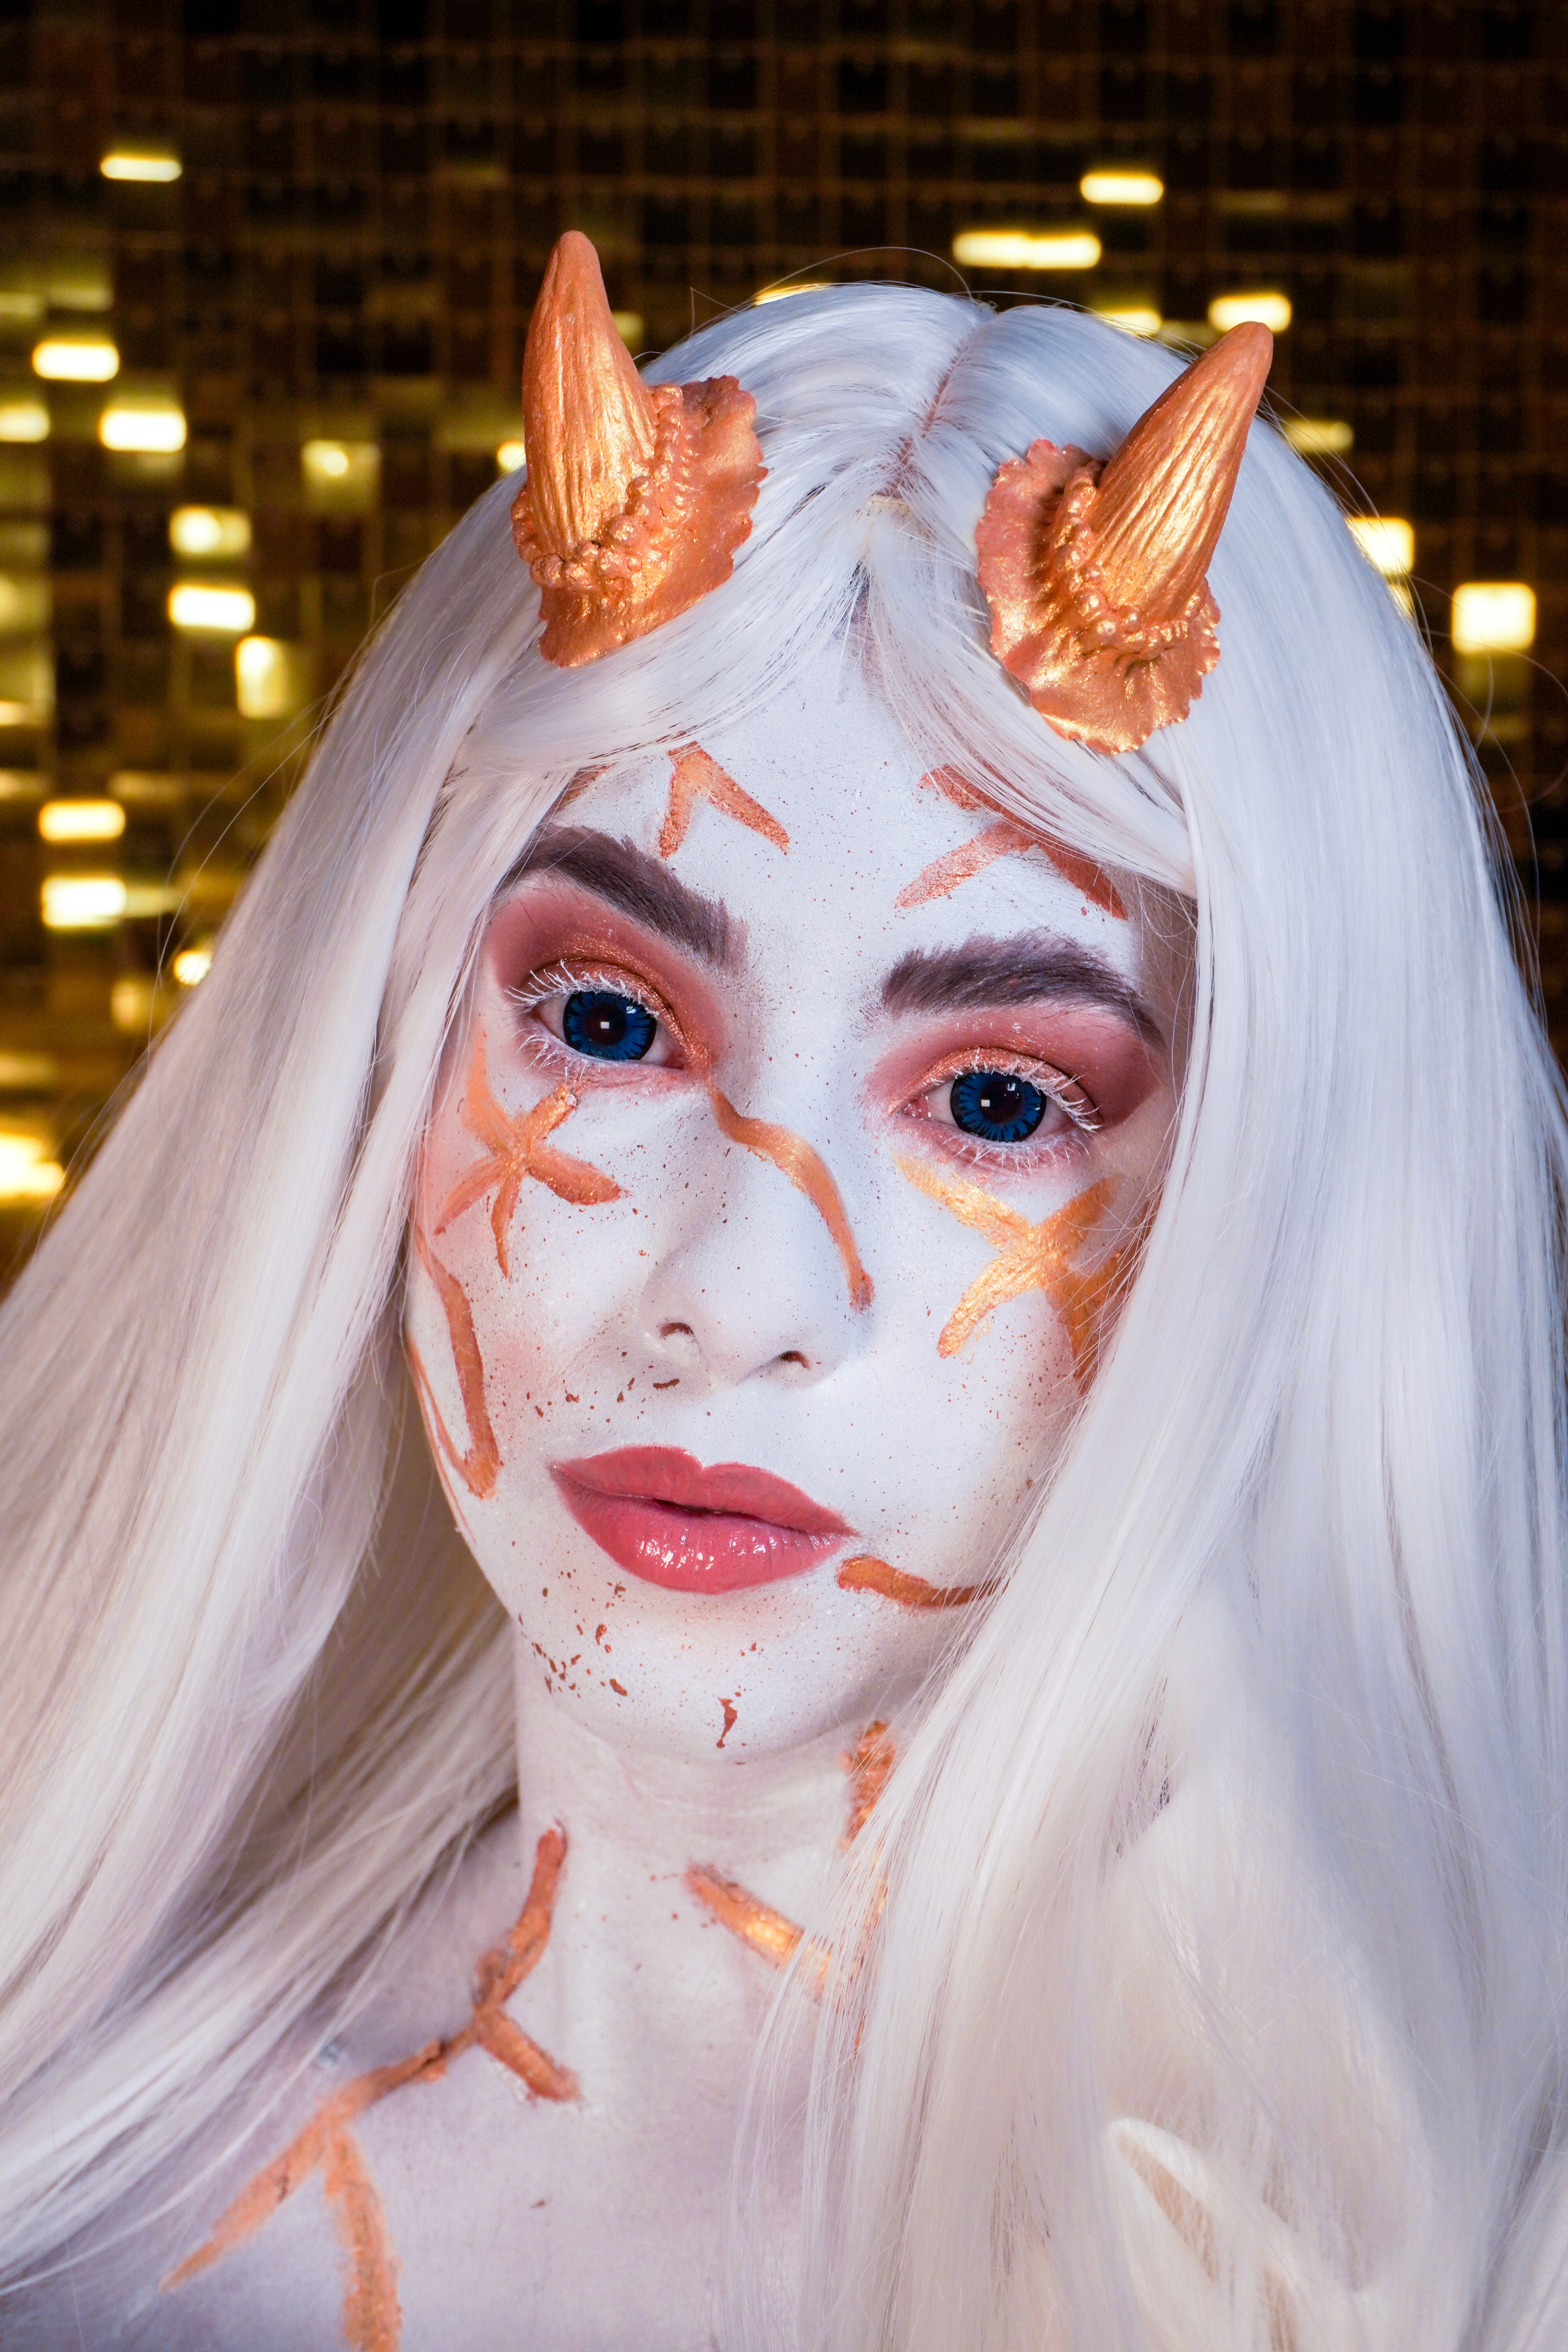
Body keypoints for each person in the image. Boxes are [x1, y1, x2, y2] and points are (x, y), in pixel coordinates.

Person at [1, 231, 1565, 2351]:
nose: (735, 1296)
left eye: (1002, 1099)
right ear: (380, 1059)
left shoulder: (1469, 2250)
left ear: (1274, 1200)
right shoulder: (71, 2178)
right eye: (611, 1025)